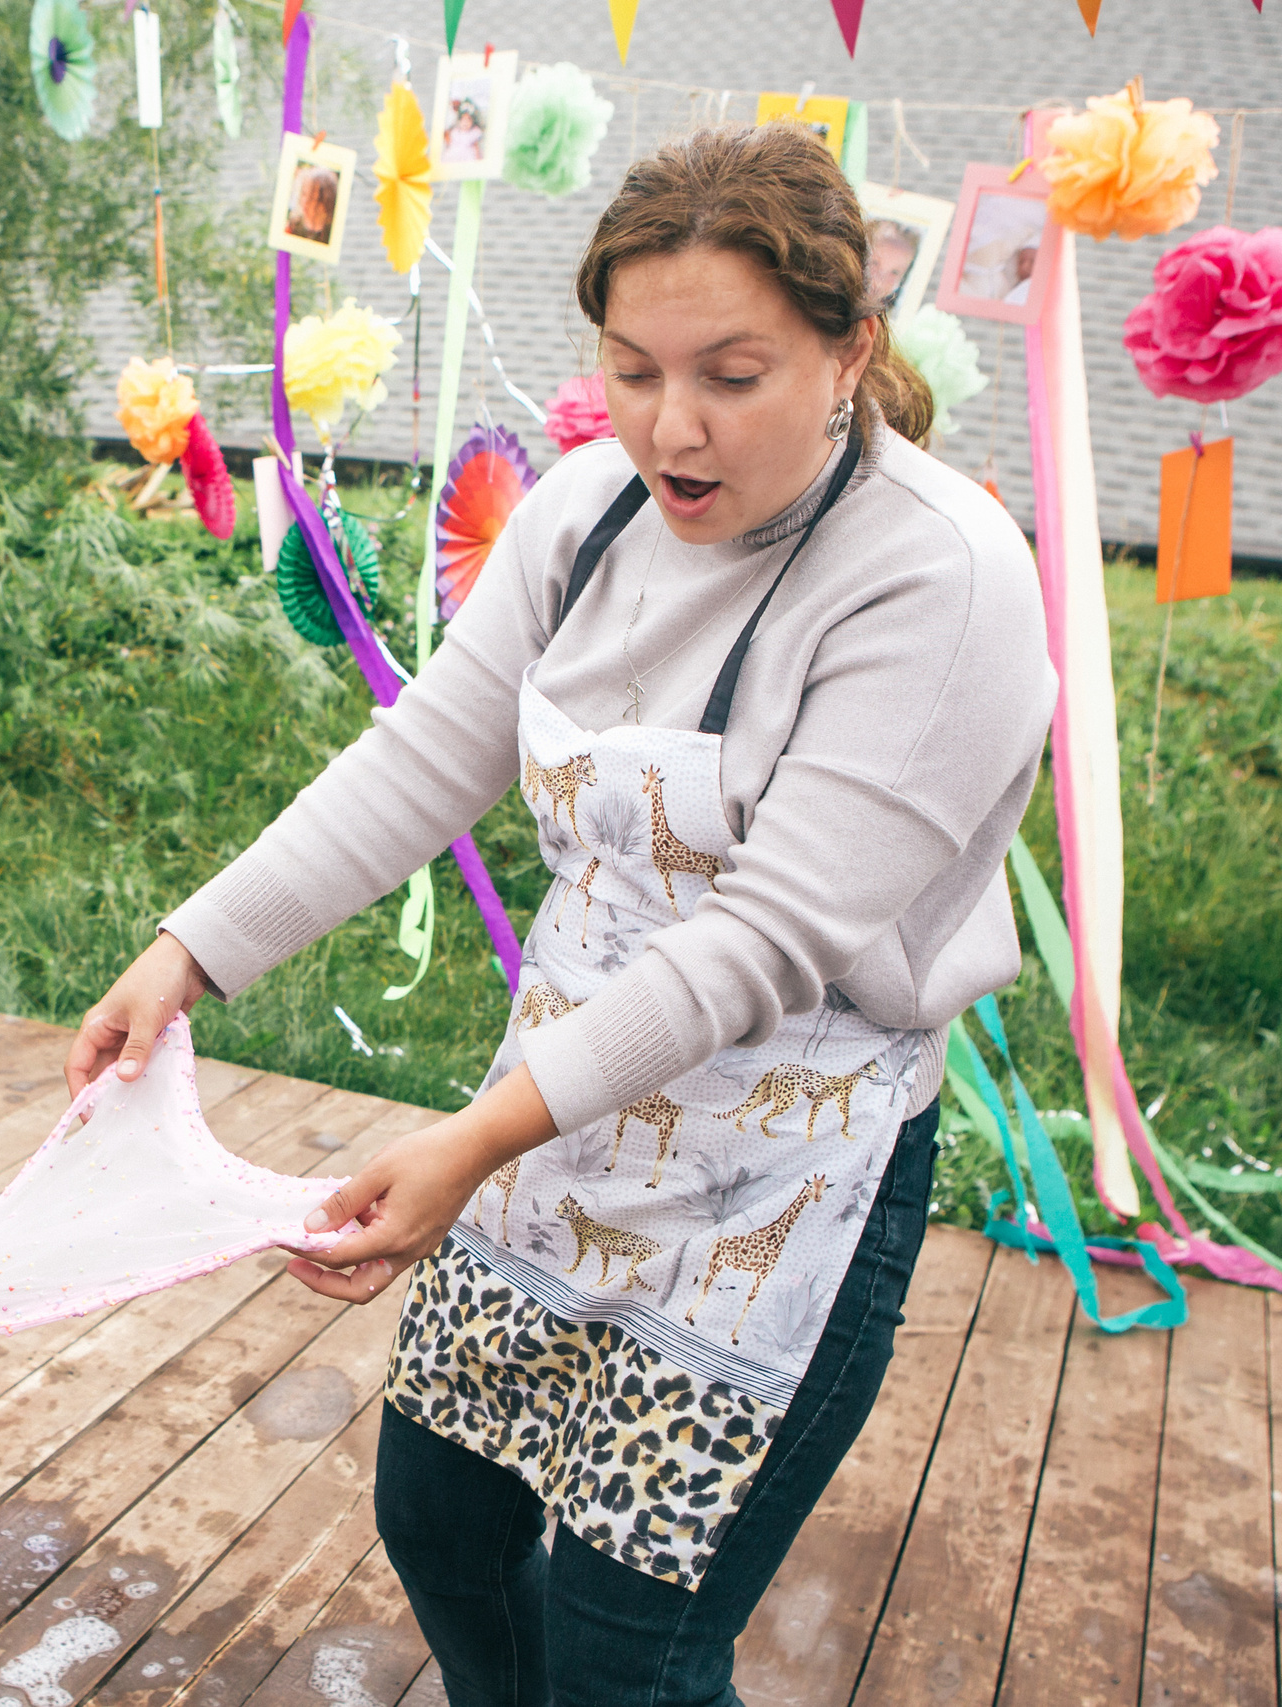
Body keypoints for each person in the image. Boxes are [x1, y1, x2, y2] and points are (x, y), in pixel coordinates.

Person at [66, 124, 1053, 1706]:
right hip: (560, 1126)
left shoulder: (942, 577)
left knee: (628, 1657)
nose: (674, 425)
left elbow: (762, 942)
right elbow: (423, 760)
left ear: (850, 350)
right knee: (441, 1520)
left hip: (779, 1175)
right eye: (634, 369)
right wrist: (191, 950)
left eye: (732, 374)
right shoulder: (587, 511)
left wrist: (471, 1139)